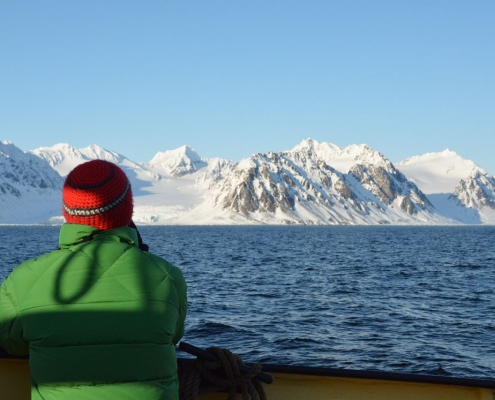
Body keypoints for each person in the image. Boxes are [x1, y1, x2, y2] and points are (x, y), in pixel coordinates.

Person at [0, 160, 187, 400]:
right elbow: (173, 334)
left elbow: (12, 343)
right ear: (127, 210)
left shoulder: (22, 280)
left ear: (67, 212)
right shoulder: (169, 276)